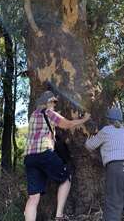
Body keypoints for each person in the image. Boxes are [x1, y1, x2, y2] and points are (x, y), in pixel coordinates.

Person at [24, 90, 90, 221]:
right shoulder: (49, 112)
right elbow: (67, 124)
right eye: (53, 102)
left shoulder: (33, 115)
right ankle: (59, 216)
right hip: (44, 153)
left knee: (33, 196)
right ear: (48, 102)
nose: (54, 105)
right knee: (66, 178)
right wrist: (84, 119)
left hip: (29, 158)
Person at [85, 107, 124, 221]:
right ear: (120, 120)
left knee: (113, 208)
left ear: (108, 120)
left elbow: (89, 146)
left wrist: (90, 135)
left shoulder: (105, 130)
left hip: (117, 170)